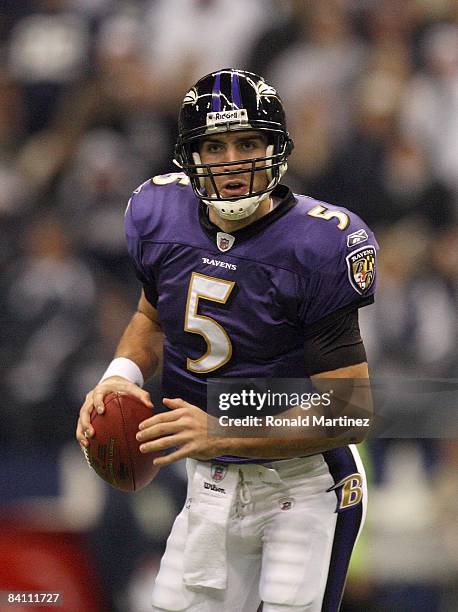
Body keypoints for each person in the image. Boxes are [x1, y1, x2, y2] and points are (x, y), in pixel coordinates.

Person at [77, 69, 377, 612]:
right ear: (189, 155)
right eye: (214, 145)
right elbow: (152, 314)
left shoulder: (320, 243)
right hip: (210, 484)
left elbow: (349, 411)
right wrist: (117, 378)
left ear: (275, 147)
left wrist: (221, 427)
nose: (232, 160)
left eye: (247, 142)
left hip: (305, 486)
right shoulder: (158, 214)